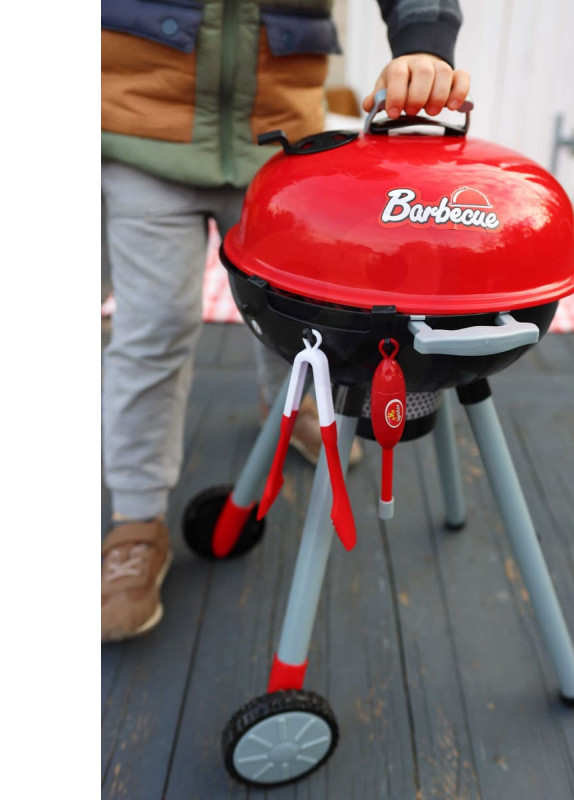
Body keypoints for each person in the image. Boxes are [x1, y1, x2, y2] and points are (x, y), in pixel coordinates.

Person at [101, 0, 470, 643]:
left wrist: (424, 41)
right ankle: (135, 521)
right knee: (152, 327)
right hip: (143, 135)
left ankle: (294, 410)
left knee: (297, 311)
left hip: (281, 139)